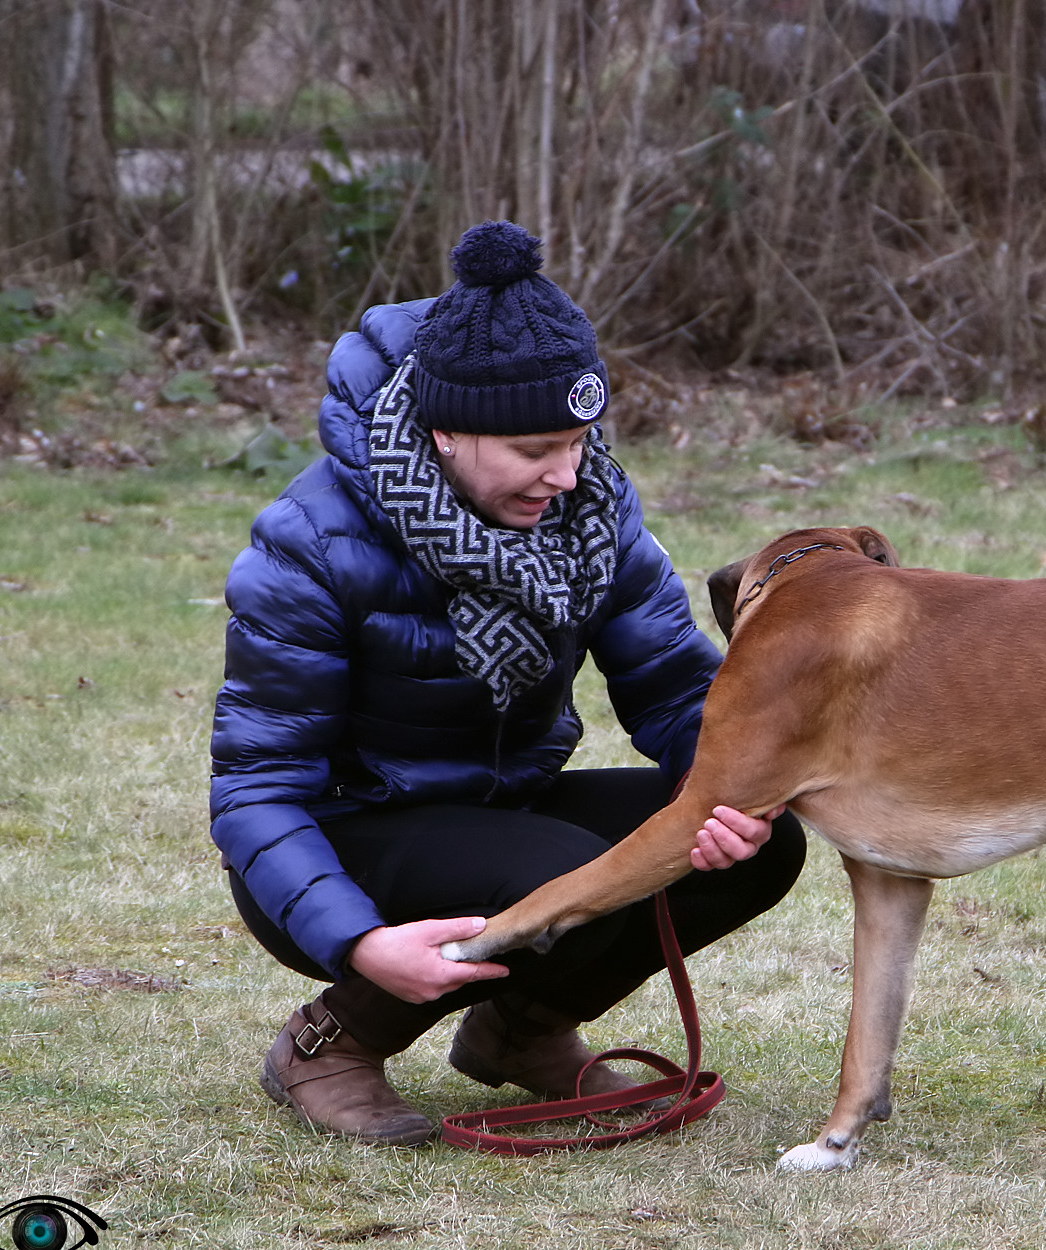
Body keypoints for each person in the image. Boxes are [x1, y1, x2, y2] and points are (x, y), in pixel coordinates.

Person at [210, 220, 805, 1146]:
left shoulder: (593, 507)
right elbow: (256, 790)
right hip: (343, 835)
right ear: (444, 431)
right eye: (535, 449)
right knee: (558, 875)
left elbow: (674, 686)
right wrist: (361, 940)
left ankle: (520, 1028)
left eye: (580, 441)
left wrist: (726, 787)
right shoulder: (312, 542)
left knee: (762, 841)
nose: (566, 474)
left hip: (504, 814)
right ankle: (329, 1042)